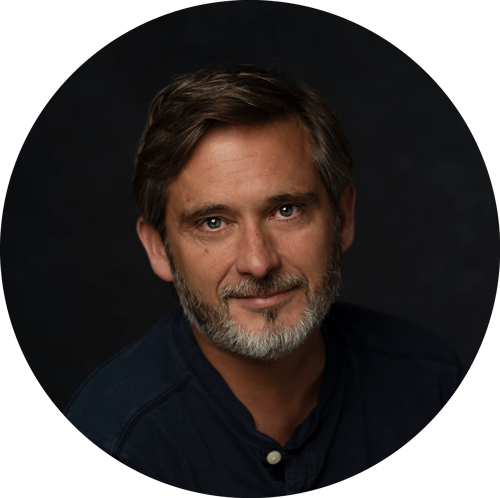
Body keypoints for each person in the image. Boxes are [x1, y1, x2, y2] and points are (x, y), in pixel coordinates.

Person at [63, 63, 464, 496]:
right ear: (159, 248)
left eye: (286, 211)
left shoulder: (429, 382)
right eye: (213, 222)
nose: (258, 262)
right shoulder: (117, 441)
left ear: (343, 218)